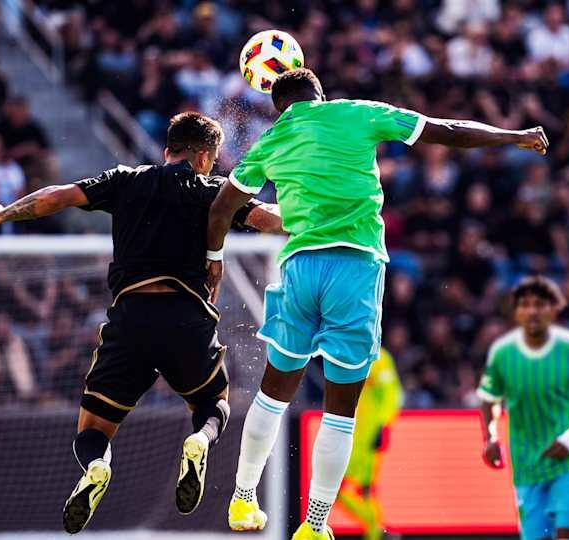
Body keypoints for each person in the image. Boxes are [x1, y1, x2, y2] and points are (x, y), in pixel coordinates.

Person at [206, 68, 548, 540]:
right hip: (356, 268)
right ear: (320, 96)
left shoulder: (269, 141)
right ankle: (316, 524)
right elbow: (444, 131)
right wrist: (515, 136)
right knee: (340, 410)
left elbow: (222, 208)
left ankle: (243, 498)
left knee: (272, 394)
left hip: (299, 268)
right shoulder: (357, 113)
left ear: (278, 107)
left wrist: (213, 259)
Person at [0, 112, 282, 533]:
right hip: (188, 317)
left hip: (131, 318)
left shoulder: (125, 179)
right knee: (211, 405)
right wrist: (321, 212)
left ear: (167, 152)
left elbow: (59, 195)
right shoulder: (212, 191)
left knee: (92, 429)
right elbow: (269, 220)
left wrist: (1, 213)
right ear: (204, 158)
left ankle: (95, 468)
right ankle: (199, 441)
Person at [477, 276, 569, 540]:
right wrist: (490, 437)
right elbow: (489, 398)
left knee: (568, 534)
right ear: (515, 311)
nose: (532, 311)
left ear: (554, 309)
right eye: (525, 304)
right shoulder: (502, 353)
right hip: (526, 464)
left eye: (540, 304)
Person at [337, 348, 403, 540]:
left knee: (342, 489)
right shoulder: (346, 351)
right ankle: (376, 530)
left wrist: (384, 425)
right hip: (351, 433)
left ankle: (375, 529)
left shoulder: (379, 358)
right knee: (362, 491)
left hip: (366, 439)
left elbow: (392, 395)